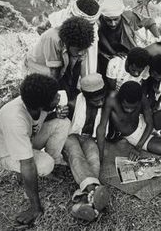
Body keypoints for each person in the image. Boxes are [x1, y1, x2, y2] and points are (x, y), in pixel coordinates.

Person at [0, 74, 71, 225]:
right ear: (41, 105)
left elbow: (37, 119)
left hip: (28, 140)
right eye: (55, 97)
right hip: (7, 153)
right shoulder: (14, 119)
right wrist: (35, 208)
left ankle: (52, 166)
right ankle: (42, 171)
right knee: (45, 164)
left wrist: (54, 114)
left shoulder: (36, 101)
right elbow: (27, 164)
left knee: (62, 122)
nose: (59, 97)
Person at [96, 81, 161, 162]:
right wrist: (100, 155)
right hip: (135, 135)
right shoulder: (111, 99)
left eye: (133, 107)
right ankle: (156, 140)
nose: (129, 110)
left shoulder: (141, 97)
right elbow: (101, 128)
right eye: (126, 107)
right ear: (120, 99)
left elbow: (150, 124)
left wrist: (138, 147)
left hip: (144, 122)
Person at [63, 73, 110, 221]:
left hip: (89, 138)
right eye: (96, 101)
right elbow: (58, 127)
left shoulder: (106, 104)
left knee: (94, 159)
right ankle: (93, 189)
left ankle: (83, 202)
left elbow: (101, 130)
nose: (101, 102)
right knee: (76, 155)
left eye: (102, 98)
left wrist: (101, 151)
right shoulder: (72, 104)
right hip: (69, 136)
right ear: (85, 96)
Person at [25, 16, 94, 101]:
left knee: (70, 93)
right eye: (79, 50)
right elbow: (53, 73)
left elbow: (77, 67)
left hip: (60, 67)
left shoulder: (81, 41)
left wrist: (74, 91)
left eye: (84, 49)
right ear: (68, 43)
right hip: (41, 68)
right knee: (48, 95)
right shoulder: (52, 39)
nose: (82, 53)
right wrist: (55, 98)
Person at [97, 0, 161, 77]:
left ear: (120, 14)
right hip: (105, 54)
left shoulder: (129, 17)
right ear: (103, 16)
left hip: (127, 52)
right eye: (108, 20)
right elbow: (100, 36)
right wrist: (112, 52)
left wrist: (159, 39)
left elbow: (149, 22)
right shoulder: (98, 21)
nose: (113, 23)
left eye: (116, 19)